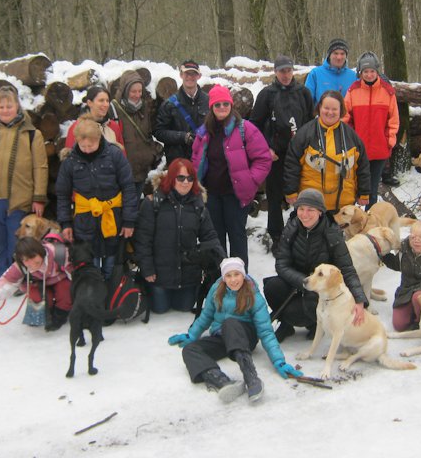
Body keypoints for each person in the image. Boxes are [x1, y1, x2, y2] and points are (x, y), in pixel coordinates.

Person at [168, 257, 302, 403]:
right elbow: (206, 316)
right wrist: (191, 335)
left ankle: (251, 376)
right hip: (222, 337)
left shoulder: (253, 294)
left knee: (229, 323)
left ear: (243, 275)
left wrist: (279, 361)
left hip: (245, 338)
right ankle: (221, 381)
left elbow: (265, 331)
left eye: (236, 274)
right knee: (189, 350)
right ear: (223, 277)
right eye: (228, 275)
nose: (233, 280)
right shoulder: (217, 289)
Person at [263, 189, 368, 342]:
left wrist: (359, 299)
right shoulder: (291, 228)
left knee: (295, 311)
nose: (304, 214)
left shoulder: (332, 233)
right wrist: (304, 281)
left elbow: (346, 269)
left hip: (320, 288)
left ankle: (315, 325)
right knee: (272, 287)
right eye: (301, 209)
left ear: (320, 212)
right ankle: (286, 325)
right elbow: (281, 264)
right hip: (297, 281)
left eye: (310, 210)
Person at [191, 85, 272, 266]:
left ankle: (240, 280)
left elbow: (263, 158)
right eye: (217, 104)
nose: (222, 108)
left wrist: (251, 181)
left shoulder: (245, 129)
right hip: (211, 194)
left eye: (225, 104)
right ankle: (219, 280)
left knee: (237, 237)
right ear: (211, 107)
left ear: (231, 105)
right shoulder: (204, 132)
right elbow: (196, 157)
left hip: (236, 194)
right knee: (215, 238)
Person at [134, 158, 226, 313]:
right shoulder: (152, 203)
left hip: (188, 275)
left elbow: (210, 237)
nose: (185, 182)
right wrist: (147, 269)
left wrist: (225, 264)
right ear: (171, 178)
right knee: (160, 309)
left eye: (190, 178)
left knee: (184, 307)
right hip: (159, 275)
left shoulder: (198, 205)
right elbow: (143, 240)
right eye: (181, 178)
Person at [0, 86, 48, 280]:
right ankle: (1, 280)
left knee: (15, 245)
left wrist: (39, 197)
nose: (6, 110)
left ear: (17, 107)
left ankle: (16, 279)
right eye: (2, 107)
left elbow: (40, 167)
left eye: (10, 106)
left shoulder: (32, 134)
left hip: (18, 201)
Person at [56, 115, 138, 280]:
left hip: (112, 217)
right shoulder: (70, 161)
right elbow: (63, 194)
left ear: (99, 139)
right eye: (83, 145)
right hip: (85, 220)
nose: (86, 149)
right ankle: (93, 295)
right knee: (89, 263)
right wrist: (65, 223)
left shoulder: (115, 154)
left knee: (111, 263)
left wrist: (129, 221)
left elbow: (128, 187)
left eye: (91, 145)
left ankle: (110, 296)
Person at [249, 55, 314, 248]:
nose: (285, 75)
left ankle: (300, 230)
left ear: (293, 71)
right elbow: (254, 126)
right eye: (281, 71)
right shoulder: (267, 94)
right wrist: (265, 148)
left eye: (288, 70)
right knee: (275, 196)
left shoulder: (303, 93)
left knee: (302, 194)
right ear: (275, 72)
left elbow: (310, 122)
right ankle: (276, 236)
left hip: (299, 153)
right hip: (275, 154)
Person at [283, 90, 371, 214]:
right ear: (319, 108)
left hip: (343, 208)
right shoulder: (305, 134)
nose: (330, 112)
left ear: (341, 111)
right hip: (311, 206)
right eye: (326, 108)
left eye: (334, 109)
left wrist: (364, 193)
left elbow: (362, 166)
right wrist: (291, 191)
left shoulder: (351, 136)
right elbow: (292, 164)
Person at [342, 51, 399, 207]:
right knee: (353, 185)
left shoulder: (388, 91)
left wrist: (390, 141)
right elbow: (345, 118)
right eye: (365, 71)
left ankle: (371, 219)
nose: (369, 74)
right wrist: (349, 139)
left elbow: (393, 120)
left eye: (372, 71)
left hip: (379, 148)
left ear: (377, 72)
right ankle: (351, 219)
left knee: (372, 188)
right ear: (360, 72)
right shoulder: (353, 91)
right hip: (356, 149)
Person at [0, 237, 72, 331]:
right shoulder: (20, 266)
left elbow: (76, 273)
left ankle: (60, 316)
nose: (31, 263)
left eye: (33, 257)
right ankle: (47, 313)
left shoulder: (60, 254)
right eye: (26, 260)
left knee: (65, 290)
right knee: (36, 294)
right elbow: (8, 281)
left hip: (60, 279)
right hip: (38, 283)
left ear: (41, 252)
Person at [112, 70, 162, 197]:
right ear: (125, 90)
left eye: (140, 91)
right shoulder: (114, 109)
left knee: (134, 208)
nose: (137, 95)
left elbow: (148, 134)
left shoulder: (144, 108)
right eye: (133, 91)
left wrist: (151, 154)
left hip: (141, 170)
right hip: (122, 171)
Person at [153, 60, 209, 165]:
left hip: (204, 161)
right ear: (181, 75)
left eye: (194, 74)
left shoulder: (209, 101)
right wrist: (183, 137)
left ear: (199, 76)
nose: (190, 77)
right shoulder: (169, 104)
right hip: (178, 163)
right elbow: (159, 132)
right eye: (187, 73)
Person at [65, 85, 125, 150]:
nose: (106, 104)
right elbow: (70, 156)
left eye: (107, 101)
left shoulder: (114, 127)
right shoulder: (77, 128)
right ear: (89, 103)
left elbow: (122, 155)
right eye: (101, 100)